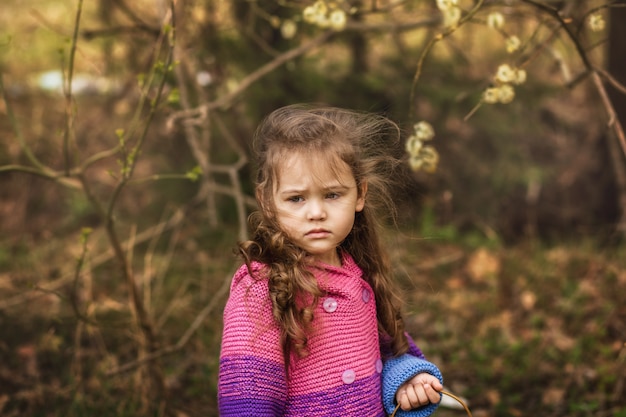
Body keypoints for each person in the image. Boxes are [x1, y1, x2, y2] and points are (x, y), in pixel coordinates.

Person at [218, 104, 443, 416]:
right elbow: (246, 397)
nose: (316, 213)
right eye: (296, 198)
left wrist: (408, 380)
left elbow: (388, 353)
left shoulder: (358, 274)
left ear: (359, 194)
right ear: (267, 201)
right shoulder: (263, 287)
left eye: (332, 195)